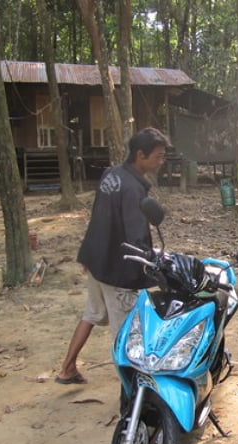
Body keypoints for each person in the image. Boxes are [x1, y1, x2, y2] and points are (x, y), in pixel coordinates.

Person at [55, 127, 171, 384]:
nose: (161, 161)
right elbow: (135, 235)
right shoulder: (132, 189)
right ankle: (131, 391)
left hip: (97, 259)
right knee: (126, 333)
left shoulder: (112, 175)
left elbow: (97, 216)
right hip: (116, 269)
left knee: (92, 314)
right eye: (158, 156)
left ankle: (68, 368)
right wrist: (151, 262)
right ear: (140, 155)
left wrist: (87, 253)